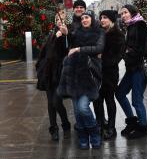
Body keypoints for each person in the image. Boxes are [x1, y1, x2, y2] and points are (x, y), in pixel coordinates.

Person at [57, 10, 105, 149]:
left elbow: (98, 48)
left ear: (92, 19)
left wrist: (78, 49)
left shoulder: (99, 32)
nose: (84, 20)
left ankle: (94, 133)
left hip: (90, 75)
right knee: (77, 111)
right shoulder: (77, 32)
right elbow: (70, 40)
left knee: (83, 107)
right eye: (83, 18)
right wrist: (66, 33)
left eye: (87, 17)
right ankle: (83, 136)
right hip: (74, 74)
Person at [116, 4, 147, 139]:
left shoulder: (140, 25)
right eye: (121, 14)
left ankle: (142, 128)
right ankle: (132, 121)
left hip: (139, 68)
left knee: (137, 100)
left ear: (132, 13)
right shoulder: (131, 25)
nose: (123, 15)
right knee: (119, 93)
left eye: (125, 12)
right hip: (131, 68)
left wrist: (127, 53)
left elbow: (143, 48)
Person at [35, 11, 71, 141]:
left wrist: (65, 35)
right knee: (50, 103)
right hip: (48, 73)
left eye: (61, 20)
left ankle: (65, 123)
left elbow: (68, 49)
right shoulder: (52, 34)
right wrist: (40, 66)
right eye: (57, 20)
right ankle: (53, 128)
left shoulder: (67, 34)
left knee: (56, 101)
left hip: (60, 73)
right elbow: (45, 52)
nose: (59, 22)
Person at [93, 10, 125, 140]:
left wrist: (102, 58)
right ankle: (100, 124)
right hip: (96, 72)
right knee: (97, 100)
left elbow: (118, 56)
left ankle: (111, 127)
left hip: (109, 73)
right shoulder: (98, 33)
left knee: (109, 100)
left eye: (105, 17)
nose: (102, 20)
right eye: (101, 18)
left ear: (111, 20)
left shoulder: (118, 34)